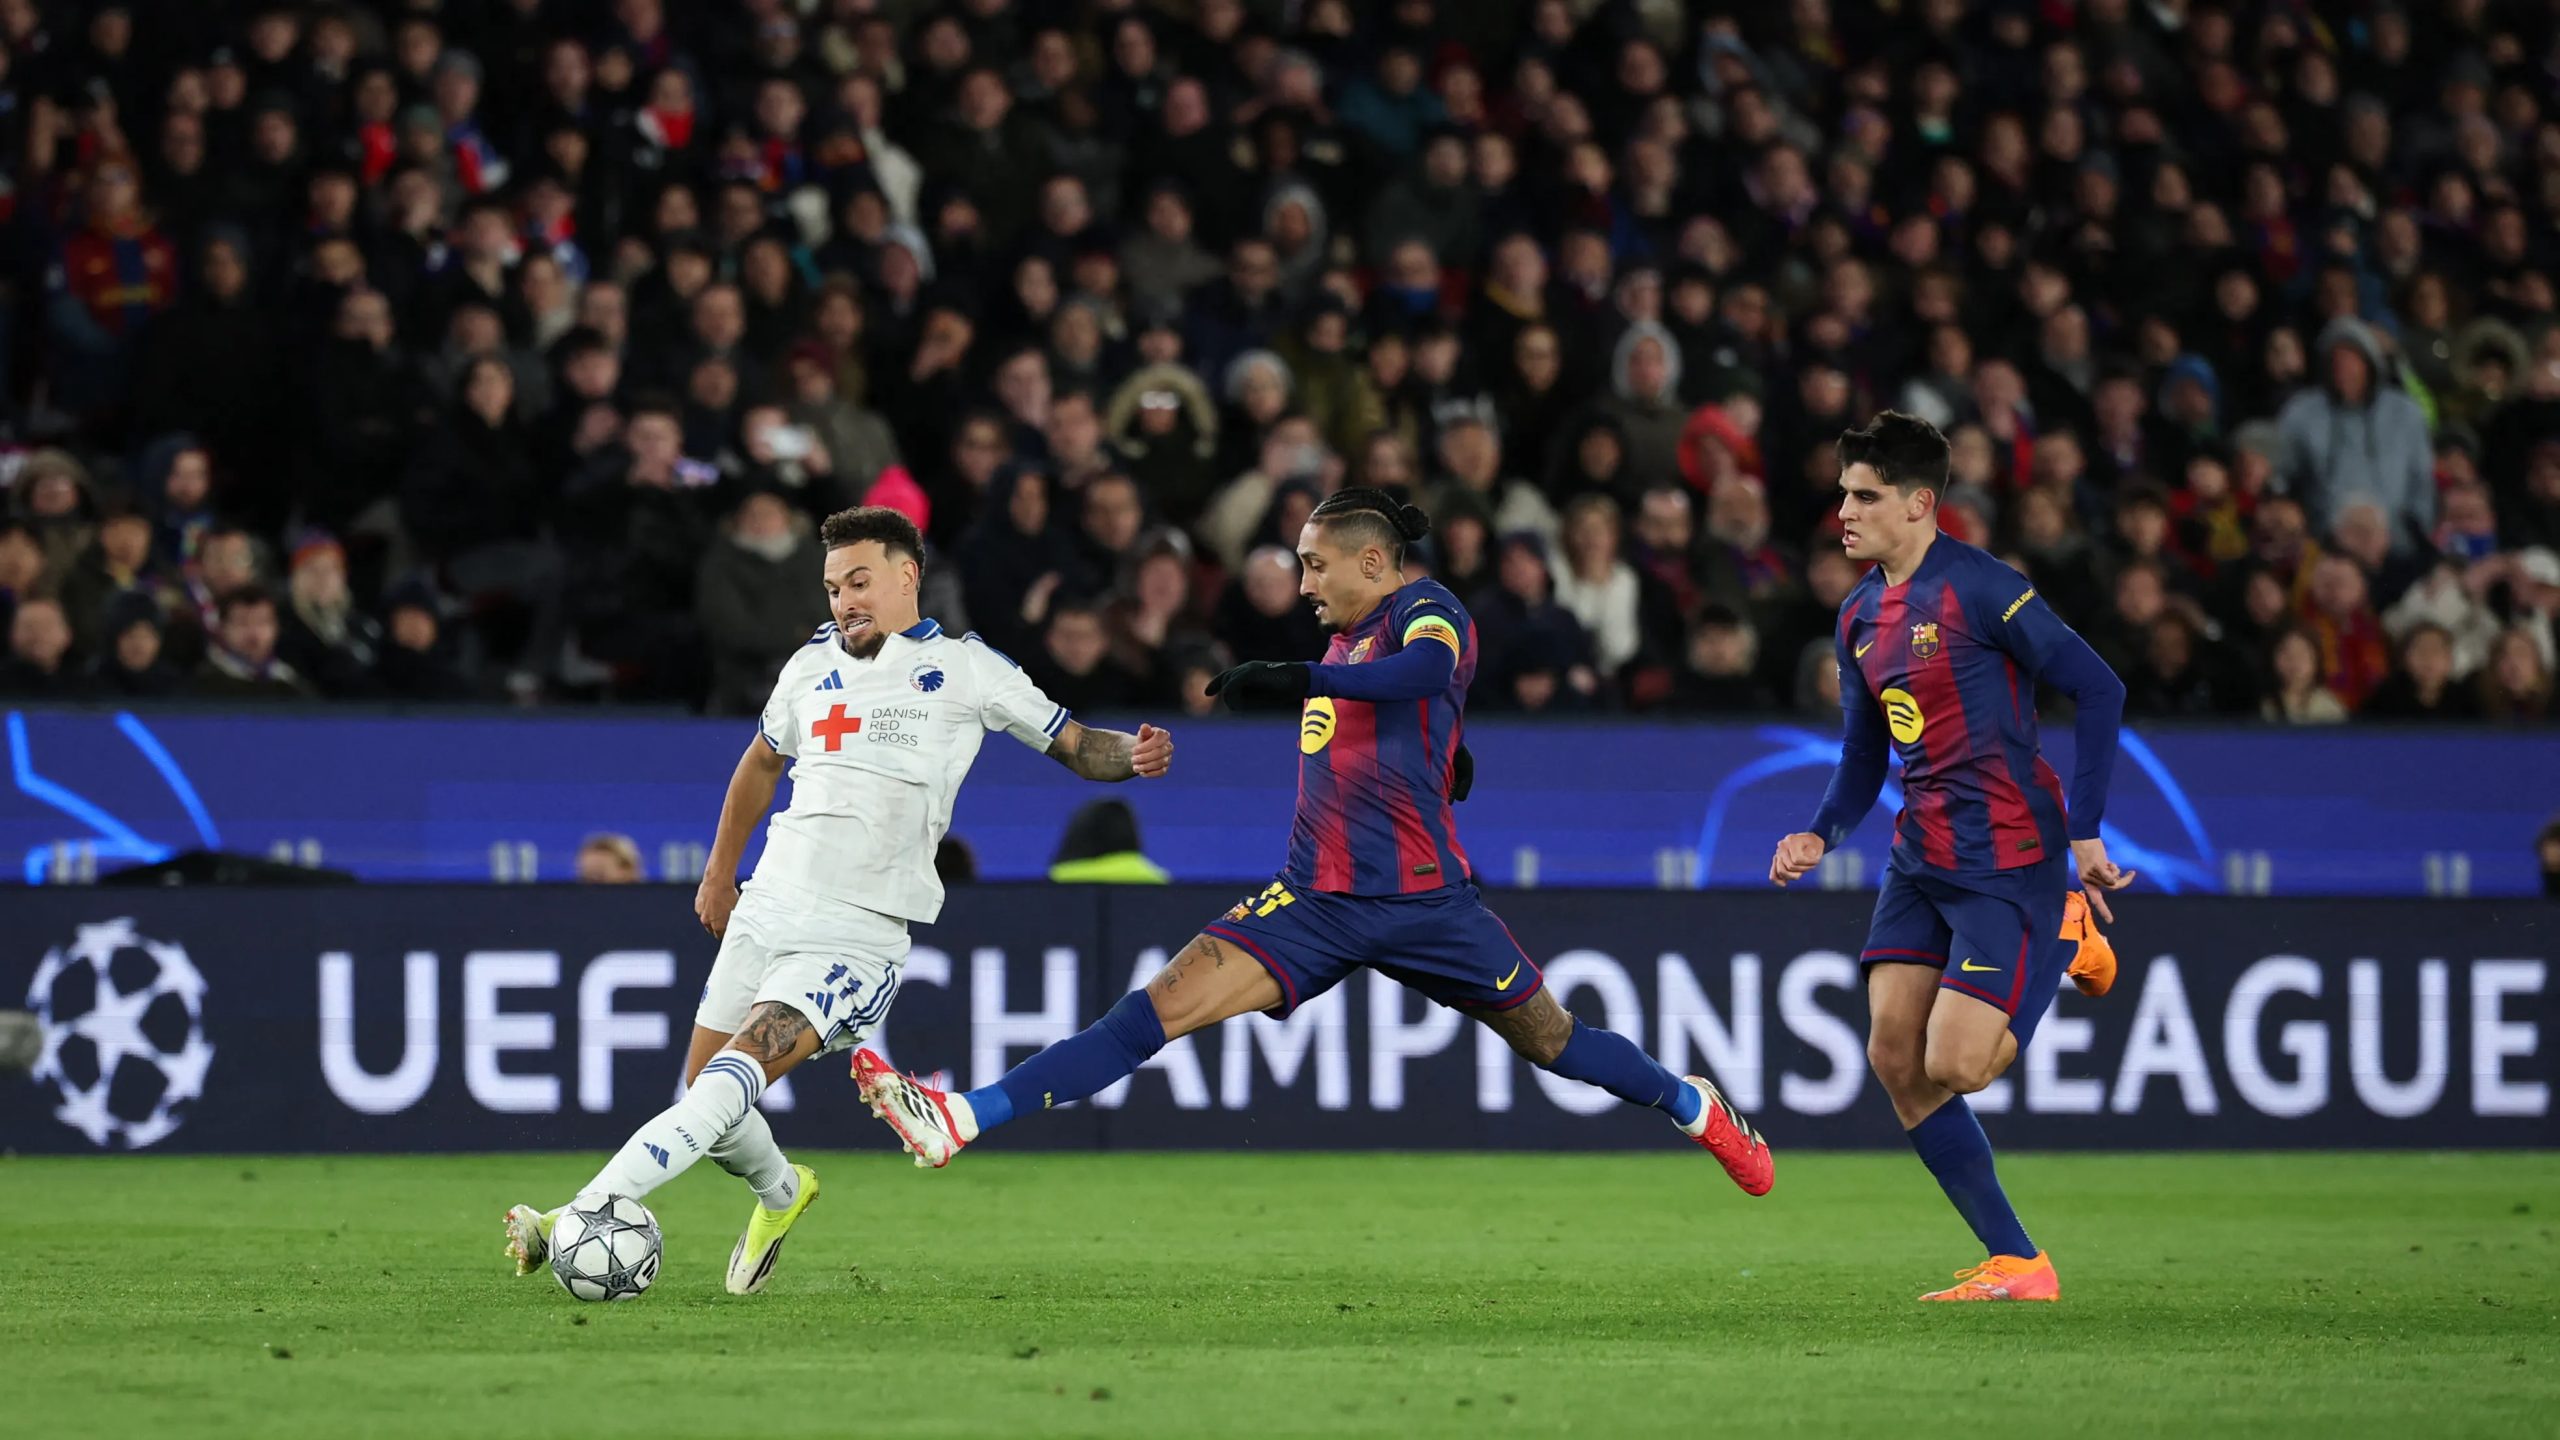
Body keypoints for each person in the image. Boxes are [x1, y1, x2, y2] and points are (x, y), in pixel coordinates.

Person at [850, 489, 1774, 1194]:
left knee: (1555, 1042)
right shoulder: (1344, 644)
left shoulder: (1427, 610)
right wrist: (1436, 751)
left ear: (1373, 560)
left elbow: (1427, 670)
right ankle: (961, 1117)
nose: (1303, 585)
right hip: (1313, 902)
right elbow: (1401, 721)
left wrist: (1302, 679)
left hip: (1426, 904)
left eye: (1315, 566)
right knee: (1149, 1012)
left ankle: (1692, 1105)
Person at [503, 506, 1174, 1295]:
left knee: (723, 1085)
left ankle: (574, 1216)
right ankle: (782, 1192)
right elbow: (761, 763)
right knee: (707, 1095)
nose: (845, 601)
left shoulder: (966, 668)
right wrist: (720, 873)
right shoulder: (808, 665)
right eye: (832, 588)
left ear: (906, 576)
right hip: (768, 903)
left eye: (859, 582)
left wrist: (1134, 754)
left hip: (854, 934)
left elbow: (1076, 744)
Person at [1769, 413, 2134, 1304]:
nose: (1844, 512)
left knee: (1960, 1066)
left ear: (1919, 504)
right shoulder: (1858, 615)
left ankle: (2066, 929)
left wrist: (2085, 828)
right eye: (1844, 494)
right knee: (1896, 1057)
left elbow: (2098, 686)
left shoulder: (1984, 589)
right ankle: (2020, 1262)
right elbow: (1865, 754)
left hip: (2008, 856)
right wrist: (1820, 831)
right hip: (1920, 857)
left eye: (1866, 496)